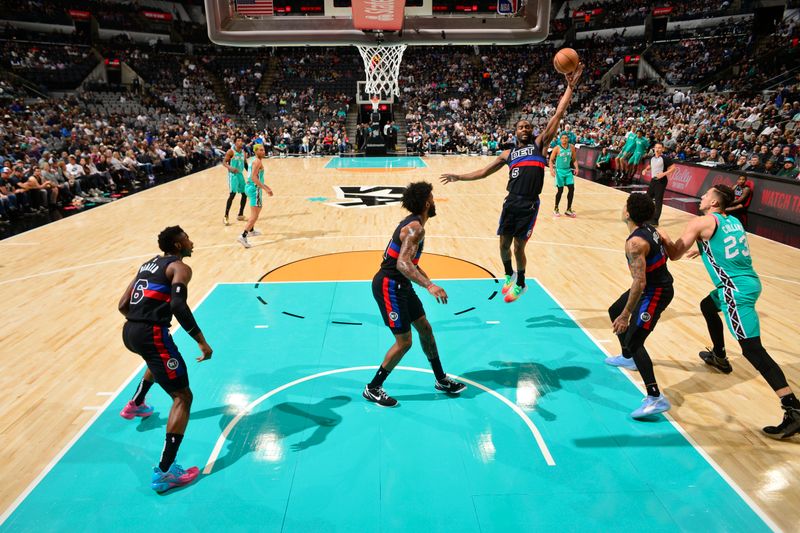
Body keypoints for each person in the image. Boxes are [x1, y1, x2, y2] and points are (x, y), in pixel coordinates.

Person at [659, 184, 800, 439]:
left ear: (714, 203)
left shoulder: (700, 223)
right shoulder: (732, 220)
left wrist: (664, 237)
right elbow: (724, 245)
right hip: (748, 281)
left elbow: (674, 255)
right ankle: (720, 356)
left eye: (706, 195)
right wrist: (701, 248)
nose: (701, 196)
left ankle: (793, 409)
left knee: (753, 350)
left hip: (734, 290)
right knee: (707, 305)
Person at [440, 63, 584, 303]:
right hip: (511, 202)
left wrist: (570, 88)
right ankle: (508, 275)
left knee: (519, 247)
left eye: (528, 126)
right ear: (515, 132)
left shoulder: (539, 145)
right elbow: (484, 172)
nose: (525, 128)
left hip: (529, 203)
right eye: (521, 127)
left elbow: (557, 115)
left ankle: (521, 283)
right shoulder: (507, 155)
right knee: (503, 243)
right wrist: (459, 177)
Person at [118, 226, 213, 492]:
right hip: (150, 333)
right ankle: (164, 472)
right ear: (178, 244)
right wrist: (201, 341)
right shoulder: (180, 268)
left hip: (130, 331)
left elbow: (123, 304)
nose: (191, 241)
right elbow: (178, 306)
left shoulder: (147, 265)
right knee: (183, 397)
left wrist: (141, 320)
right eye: (187, 238)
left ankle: (136, 403)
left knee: (156, 359)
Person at [364, 181, 466, 407]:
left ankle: (441, 380)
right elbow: (402, 264)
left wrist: (427, 281)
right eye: (433, 196)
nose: (434, 200)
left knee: (425, 329)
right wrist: (429, 286)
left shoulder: (415, 224)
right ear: (427, 202)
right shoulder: (415, 228)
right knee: (404, 342)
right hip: (389, 285)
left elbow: (409, 263)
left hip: (402, 284)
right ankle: (373, 388)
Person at [606, 193, 674, 419]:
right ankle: (627, 358)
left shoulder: (635, 243)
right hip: (651, 287)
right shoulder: (652, 229)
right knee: (613, 310)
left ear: (628, 213)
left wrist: (627, 315)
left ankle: (655, 397)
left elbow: (640, 282)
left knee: (635, 340)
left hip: (655, 292)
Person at [238, 144, 273, 249]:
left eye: (264, 150)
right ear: (256, 151)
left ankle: (252, 230)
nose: (263, 152)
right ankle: (243, 235)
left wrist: (266, 186)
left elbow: (254, 176)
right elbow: (254, 177)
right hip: (255, 189)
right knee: (255, 215)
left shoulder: (253, 160)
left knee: (256, 210)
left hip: (249, 187)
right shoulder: (257, 162)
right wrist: (265, 188)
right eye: (261, 150)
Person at [640, 142, 676, 226]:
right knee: (648, 198)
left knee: (658, 200)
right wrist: (645, 170)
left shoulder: (665, 158)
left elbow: (673, 168)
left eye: (659, 148)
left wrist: (663, 174)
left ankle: (655, 220)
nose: (657, 149)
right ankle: (647, 216)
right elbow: (651, 166)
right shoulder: (652, 158)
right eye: (656, 147)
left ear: (662, 149)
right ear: (654, 148)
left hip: (661, 181)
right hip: (653, 180)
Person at [549, 132, 579, 217]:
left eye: (566, 138)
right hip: (559, 171)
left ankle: (568, 209)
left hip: (568, 171)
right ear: (560, 139)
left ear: (568, 139)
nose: (564, 139)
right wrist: (551, 170)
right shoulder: (557, 148)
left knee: (571, 189)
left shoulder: (572, 147)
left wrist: (576, 168)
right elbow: (551, 160)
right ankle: (556, 208)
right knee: (560, 190)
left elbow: (574, 159)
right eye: (562, 138)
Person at [222, 137, 248, 225]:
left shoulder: (243, 152)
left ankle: (240, 214)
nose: (240, 142)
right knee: (232, 195)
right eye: (238, 141)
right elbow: (224, 162)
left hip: (240, 174)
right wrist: (231, 168)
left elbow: (245, 164)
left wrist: (251, 173)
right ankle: (225, 216)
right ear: (235, 143)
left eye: (241, 141)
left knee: (244, 194)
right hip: (232, 175)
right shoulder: (231, 151)